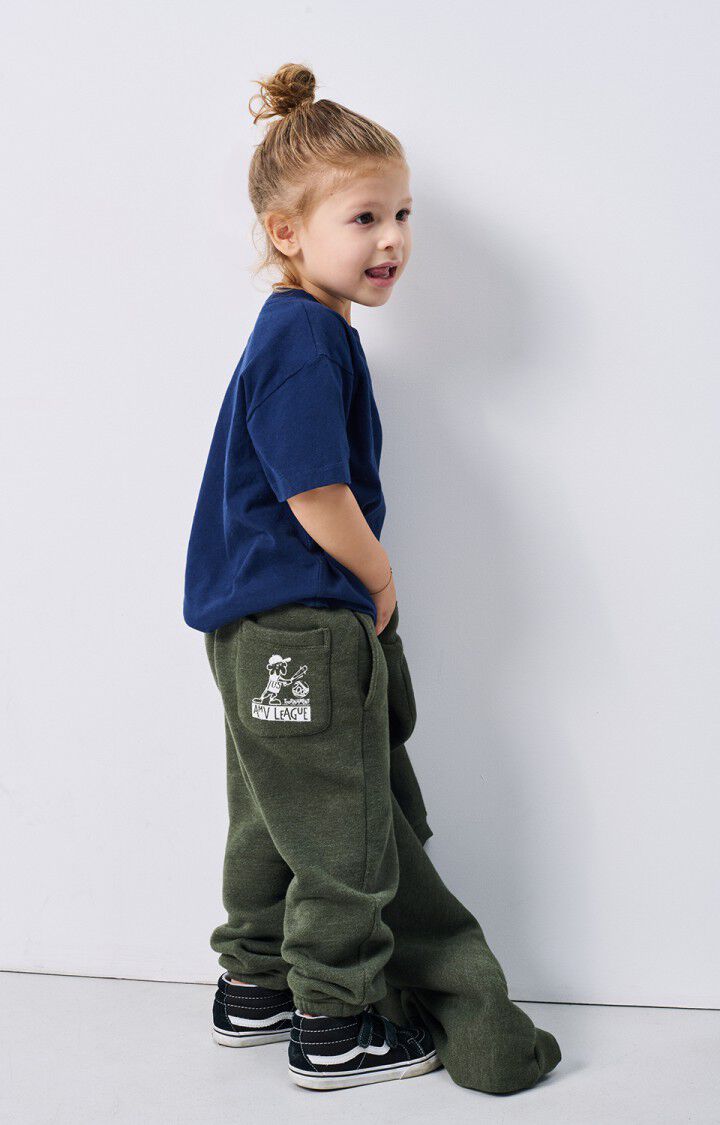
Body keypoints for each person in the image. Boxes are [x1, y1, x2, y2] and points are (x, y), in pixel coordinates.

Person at [183, 61, 562, 1095]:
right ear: (287, 232)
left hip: (250, 627)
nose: (391, 238)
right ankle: (336, 1022)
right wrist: (381, 578)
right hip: (303, 623)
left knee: (274, 816)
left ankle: (254, 985)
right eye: (363, 218)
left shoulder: (300, 329)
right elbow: (315, 491)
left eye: (402, 214)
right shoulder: (307, 338)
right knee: (343, 832)